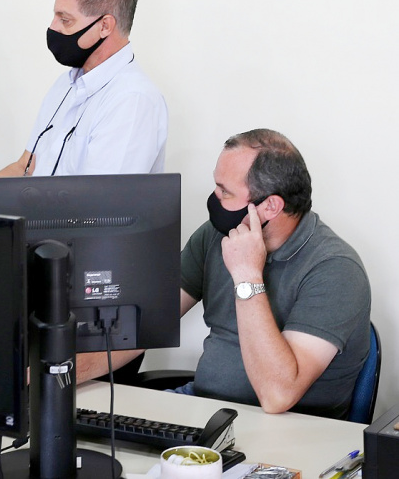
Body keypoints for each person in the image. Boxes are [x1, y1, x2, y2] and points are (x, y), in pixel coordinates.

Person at [77, 129, 371, 420]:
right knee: (88, 437)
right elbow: (143, 326)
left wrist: (247, 275)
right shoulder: (216, 236)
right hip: (203, 406)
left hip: (289, 428)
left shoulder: (336, 270)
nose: (214, 199)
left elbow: (277, 395)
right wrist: (55, 375)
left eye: (225, 191)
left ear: (270, 205)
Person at [0, 0, 167, 178]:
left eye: (65, 20)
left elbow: (100, 204)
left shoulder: (132, 101)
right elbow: (25, 167)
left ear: (104, 26)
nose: (52, 27)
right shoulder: (65, 84)